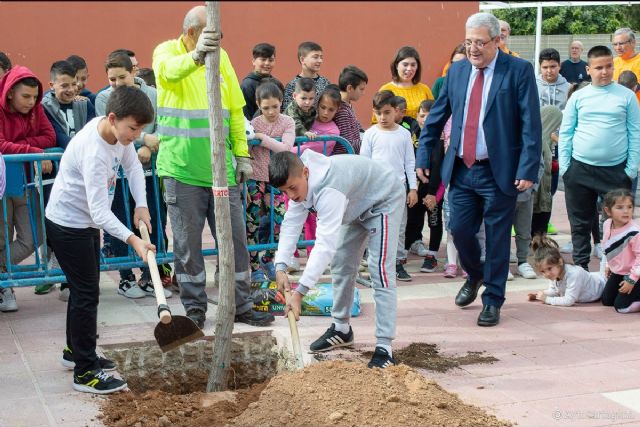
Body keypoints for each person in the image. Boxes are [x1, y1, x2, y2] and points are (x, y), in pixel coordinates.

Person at [416, 12, 542, 327]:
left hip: (500, 170)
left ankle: (492, 299)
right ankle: (476, 275)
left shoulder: (519, 71)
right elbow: (436, 117)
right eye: (468, 42)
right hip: (460, 168)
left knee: (498, 237)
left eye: (480, 43)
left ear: (497, 41)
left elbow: (530, 123)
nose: (473, 49)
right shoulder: (456, 72)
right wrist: (422, 155)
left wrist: (528, 167)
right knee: (459, 230)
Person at [153, 5, 273, 328]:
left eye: (219, 35)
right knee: (188, 246)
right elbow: (166, 72)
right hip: (182, 170)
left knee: (235, 240)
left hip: (223, 171)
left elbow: (235, 110)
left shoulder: (224, 59)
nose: (218, 41)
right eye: (212, 35)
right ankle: (195, 308)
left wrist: (243, 154)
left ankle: (241, 304)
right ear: (192, 32)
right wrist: (194, 58)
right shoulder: (166, 51)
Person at [45, 86, 155, 394]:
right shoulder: (94, 150)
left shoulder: (119, 137)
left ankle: (76, 351)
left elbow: (133, 168)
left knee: (85, 290)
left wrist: (142, 205)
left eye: (141, 129)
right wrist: (133, 239)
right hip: (69, 225)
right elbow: (100, 211)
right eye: (133, 128)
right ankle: (85, 372)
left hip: (86, 224)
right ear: (112, 117)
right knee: (86, 294)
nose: (136, 135)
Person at [271, 150, 404, 369]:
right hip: (355, 204)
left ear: (306, 172)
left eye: (293, 188)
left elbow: (324, 245)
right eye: (285, 191)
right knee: (341, 264)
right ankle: (341, 328)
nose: (291, 196)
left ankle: (384, 346)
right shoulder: (298, 184)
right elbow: (291, 224)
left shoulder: (329, 189)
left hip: (383, 200)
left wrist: (300, 292)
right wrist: (281, 266)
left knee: (379, 270)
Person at [96, 52, 173, 299]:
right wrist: (141, 139)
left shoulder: (153, 95)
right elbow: (110, 130)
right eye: (112, 79)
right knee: (119, 222)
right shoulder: (103, 98)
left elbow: (161, 125)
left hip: (150, 171)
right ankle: (125, 278)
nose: (117, 83)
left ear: (134, 73)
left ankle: (151, 277)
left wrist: (148, 146)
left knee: (153, 221)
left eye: (122, 77)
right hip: (116, 176)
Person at [559, 45, 640, 271]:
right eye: (599, 67)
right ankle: (582, 269)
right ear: (589, 69)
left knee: (618, 224)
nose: (604, 72)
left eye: (608, 66)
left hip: (616, 172)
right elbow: (566, 132)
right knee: (580, 223)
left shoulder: (627, 96)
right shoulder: (579, 97)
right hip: (580, 171)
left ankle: (616, 270)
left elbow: (635, 132)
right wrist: (566, 168)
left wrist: (630, 169)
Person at [37, 60, 97, 296]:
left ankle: (70, 281)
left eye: (74, 84)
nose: (71, 89)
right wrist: (82, 152)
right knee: (56, 223)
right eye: (64, 85)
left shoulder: (85, 103)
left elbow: (93, 127)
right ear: (52, 85)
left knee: (82, 224)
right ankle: (53, 271)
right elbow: (56, 135)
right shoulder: (44, 108)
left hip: (83, 175)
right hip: (57, 176)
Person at [0, 65, 56, 312]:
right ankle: (5, 289)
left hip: (27, 182)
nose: (31, 102)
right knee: (1, 238)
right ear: (10, 92)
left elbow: (50, 137)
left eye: (35, 97)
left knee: (34, 237)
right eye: (26, 96)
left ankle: (1, 272)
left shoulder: (37, 110)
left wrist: (20, 145)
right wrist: (33, 150)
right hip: (2, 186)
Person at [361, 90, 417, 282]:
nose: (382, 117)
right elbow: (364, 164)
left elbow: (409, 163)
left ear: (396, 111)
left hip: (398, 189)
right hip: (375, 190)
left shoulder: (404, 134)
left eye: (386, 112)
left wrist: (413, 188)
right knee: (374, 226)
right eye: (378, 113)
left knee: (399, 227)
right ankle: (374, 262)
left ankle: (397, 262)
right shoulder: (369, 134)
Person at [247, 80, 295, 282]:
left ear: (281, 102)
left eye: (275, 106)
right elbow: (246, 151)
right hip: (255, 179)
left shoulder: (287, 122)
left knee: (280, 219)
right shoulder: (253, 124)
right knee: (252, 223)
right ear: (258, 105)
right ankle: (254, 266)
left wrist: (262, 139)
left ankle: (268, 258)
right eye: (266, 108)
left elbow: (286, 147)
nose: (271, 111)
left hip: (276, 180)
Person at [527, 235, 604, 306]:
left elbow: (569, 300)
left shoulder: (574, 274)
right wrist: (539, 295)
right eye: (543, 271)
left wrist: (546, 299)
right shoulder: (555, 274)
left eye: (549, 268)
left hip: (602, 286)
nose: (547, 274)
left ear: (560, 262)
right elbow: (555, 291)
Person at [600, 189, 640, 313]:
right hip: (619, 271)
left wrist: (631, 280)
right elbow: (608, 245)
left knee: (621, 307)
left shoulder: (634, 232)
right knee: (607, 301)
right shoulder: (607, 224)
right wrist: (608, 265)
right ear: (608, 211)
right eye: (620, 207)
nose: (626, 211)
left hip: (635, 273)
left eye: (629, 207)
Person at [373, 46, 434, 123]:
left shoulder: (424, 89)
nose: (409, 69)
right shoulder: (386, 89)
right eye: (405, 65)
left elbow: (434, 114)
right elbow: (376, 120)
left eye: (413, 65)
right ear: (396, 66)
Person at [531, 105, 564, 237]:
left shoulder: (547, 140)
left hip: (544, 191)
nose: (557, 128)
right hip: (537, 190)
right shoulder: (538, 141)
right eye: (556, 123)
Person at [283, 41, 329, 109]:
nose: (320, 61)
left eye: (321, 57)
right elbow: (287, 112)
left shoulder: (326, 83)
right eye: (315, 57)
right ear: (302, 59)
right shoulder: (292, 85)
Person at [333, 65, 367, 154]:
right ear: (349, 88)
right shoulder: (342, 111)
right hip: (343, 160)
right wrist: (371, 142)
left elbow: (359, 129)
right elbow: (347, 144)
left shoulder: (347, 105)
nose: (363, 93)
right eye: (361, 89)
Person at [241, 43, 276, 120]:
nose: (267, 63)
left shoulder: (276, 83)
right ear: (253, 61)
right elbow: (245, 115)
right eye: (263, 59)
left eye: (270, 60)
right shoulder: (247, 85)